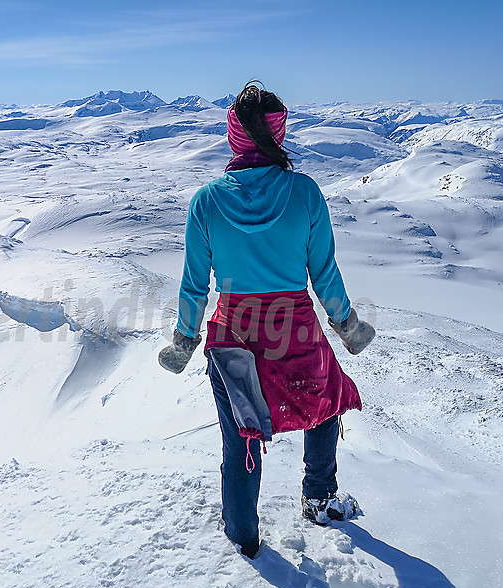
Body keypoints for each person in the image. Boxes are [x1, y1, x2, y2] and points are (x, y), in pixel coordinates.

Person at [158, 82, 375, 560]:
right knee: (326, 401)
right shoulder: (305, 193)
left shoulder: (207, 201)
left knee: (241, 438)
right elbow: (325, 274)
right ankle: (320, 499)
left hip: (234, 333)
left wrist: (183, 341)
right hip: (294, 328)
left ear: (234, 135)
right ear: (278, 134)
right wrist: (349, 327)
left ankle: (242, 536)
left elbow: (195, 285)